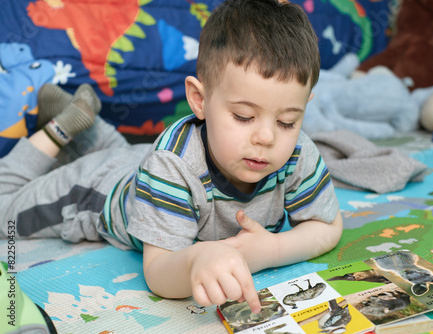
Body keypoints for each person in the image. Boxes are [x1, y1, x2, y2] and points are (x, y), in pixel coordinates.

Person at [0, 0, 343, 314]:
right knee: (4, 212)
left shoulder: (297, 150)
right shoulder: (172, 166)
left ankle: (89, 126)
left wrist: (270, 250)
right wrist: (196, 260)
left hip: (143, 166)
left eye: (287, 121)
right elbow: (158, 271)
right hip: (98, 190)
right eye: (243, 116)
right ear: (198, 99)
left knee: (127, 157)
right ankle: (60, 130)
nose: (267, 137)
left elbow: (327, 226)